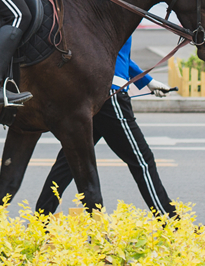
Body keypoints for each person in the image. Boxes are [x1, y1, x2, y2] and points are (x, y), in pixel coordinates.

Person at [36, 36, 176, 217]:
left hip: (90, 91)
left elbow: (113, 50)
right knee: (142, 161)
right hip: (110, 93)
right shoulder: (117, 11)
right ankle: (171, 223)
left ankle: (41, 219)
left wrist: (146, 80)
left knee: (71, 160)